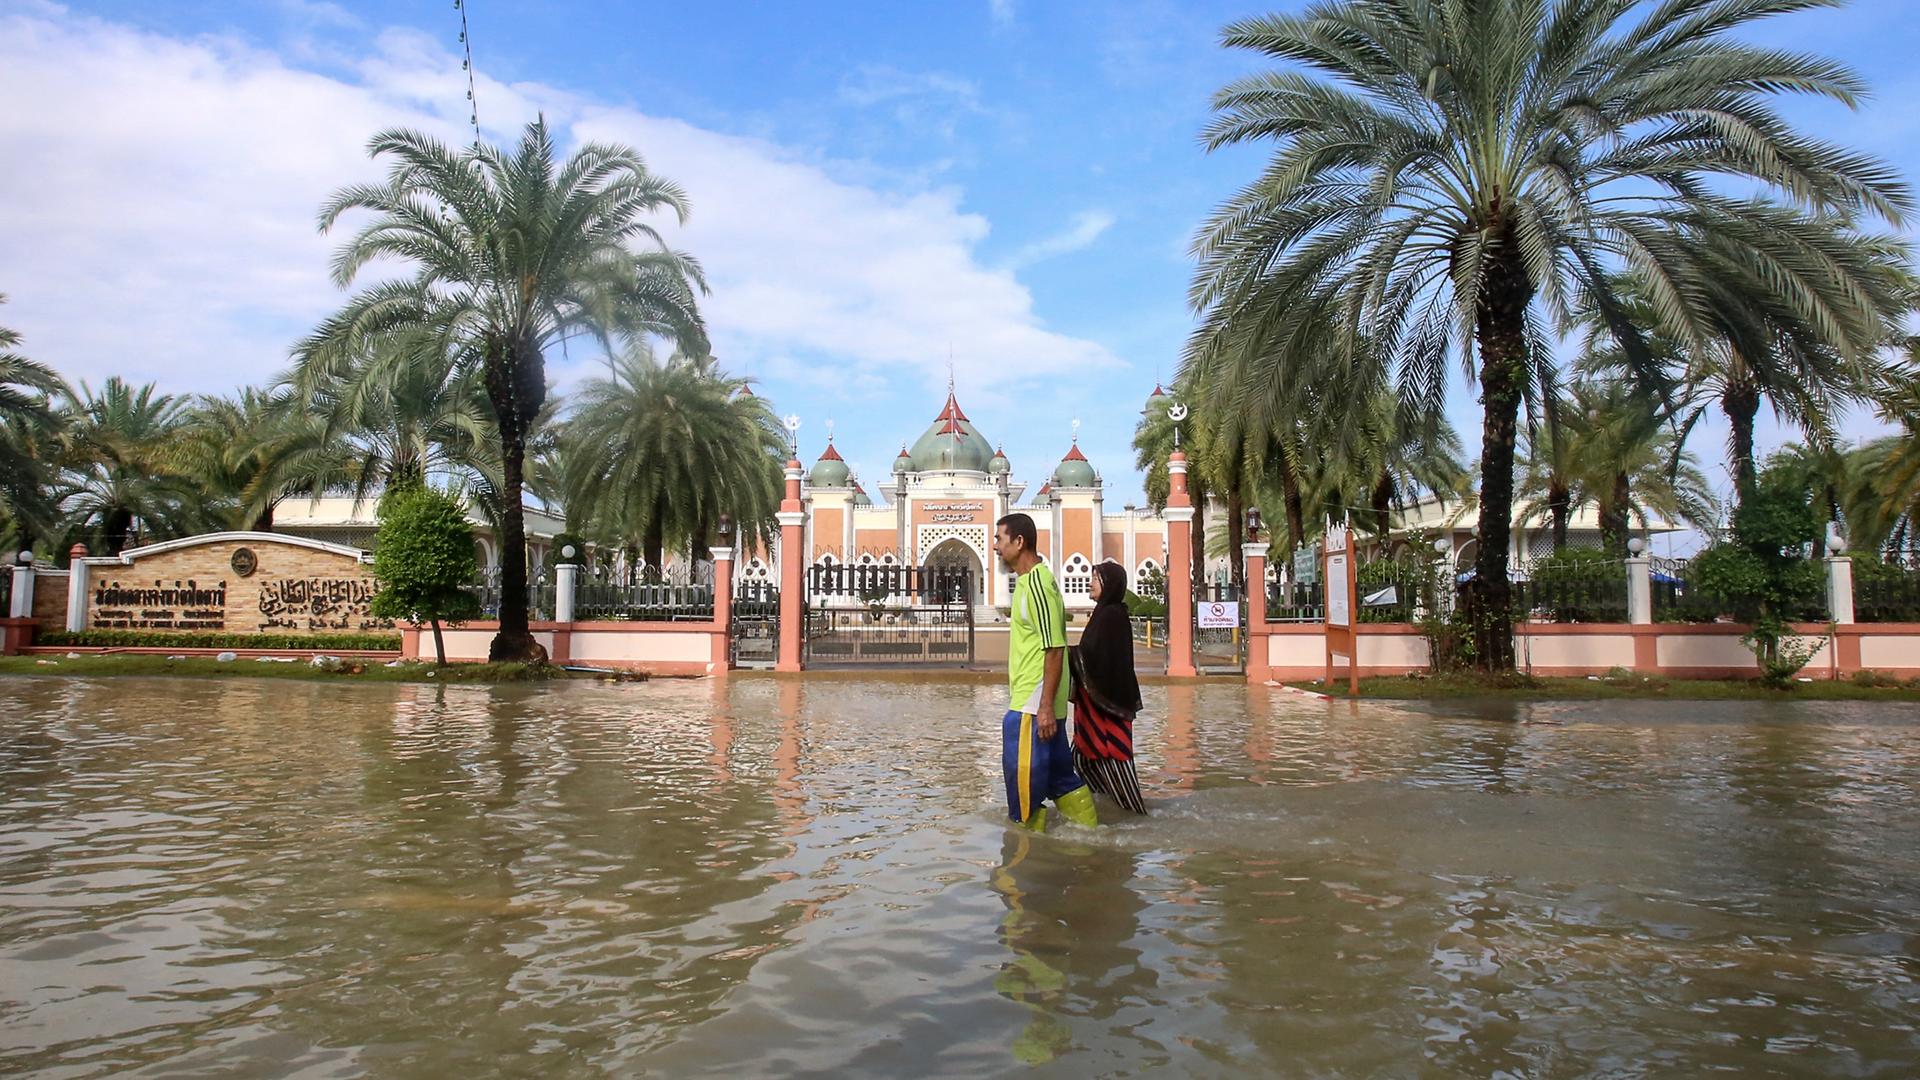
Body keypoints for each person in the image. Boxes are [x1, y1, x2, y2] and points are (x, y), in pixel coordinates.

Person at [993, 513, 1097, 832]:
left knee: (1023, 793)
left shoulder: (1037, 584)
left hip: (1032, 704)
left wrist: (1045, 707)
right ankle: (1090, 841)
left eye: (1000, 539)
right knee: (1059, 779)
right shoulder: (1029, 582)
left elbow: (1054, 647)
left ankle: (1021, 870)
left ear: (1019, 541)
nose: (995, 547)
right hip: (1039, 701)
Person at [1069, 560, 1147, 814]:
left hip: (1109, 709)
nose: (1090, 583)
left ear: (1109, 584)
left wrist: (1064, 654)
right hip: (1095, 710)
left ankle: (1134, 815)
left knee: (1115, 761)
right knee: (1081, 760)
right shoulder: (1104, 613)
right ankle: (1106, 809)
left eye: (1095, 578)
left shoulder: (1112, 616)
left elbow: (1100, 658)